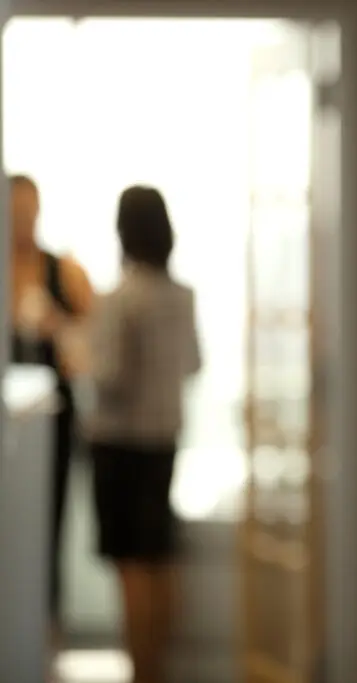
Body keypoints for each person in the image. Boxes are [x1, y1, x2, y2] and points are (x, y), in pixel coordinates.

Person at [87, 186, 201, 683]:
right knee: (158, 556)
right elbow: (194, 363)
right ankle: (159, 669)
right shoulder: (182, 297)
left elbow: (110, 377)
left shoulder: (120, 299)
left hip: (120, 442)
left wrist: (76, 349)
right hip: (163, 439)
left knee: (131, 563)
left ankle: (142, 671)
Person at [7, 174, 94, 638]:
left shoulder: (66, 272)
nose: (23, 220)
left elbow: (93, 351)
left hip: (51, 421)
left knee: (48, 523)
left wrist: (55, 326)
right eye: (15, 211)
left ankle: (46, 630)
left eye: (29, 210)